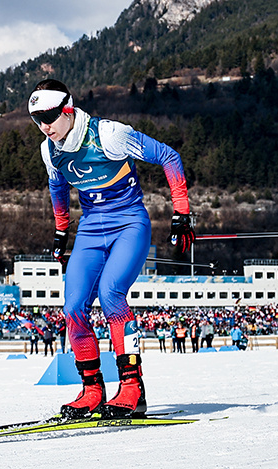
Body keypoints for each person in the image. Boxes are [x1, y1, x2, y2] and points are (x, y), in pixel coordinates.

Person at [28, 79, 193, 419]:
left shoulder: (109, 135)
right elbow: (57, 188)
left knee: (110, 293)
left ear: (68, 109)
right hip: (91, 229)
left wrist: (182, 212)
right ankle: (92, 390)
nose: (44, 126)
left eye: (49, 116)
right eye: (36, 119)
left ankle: (132, 387)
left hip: (129, 223)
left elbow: (168, 156)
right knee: (73, 307)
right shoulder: (49, 150)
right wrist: (61, 231)